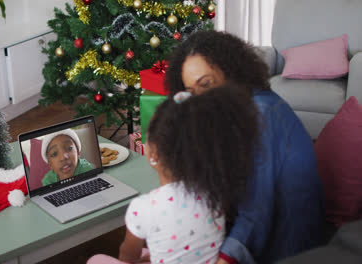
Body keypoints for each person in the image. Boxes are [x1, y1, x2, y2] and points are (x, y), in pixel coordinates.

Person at [165, 30, 325, 264]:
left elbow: (257, 212)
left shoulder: (260, 115)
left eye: (206, 84)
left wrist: (224, 259)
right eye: (192, 92)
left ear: (230, 72)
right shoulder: (237, 106)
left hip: (286, 242)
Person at [87, 84, 260, 264]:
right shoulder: (216, 194)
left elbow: (128, 256)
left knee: (96, 259)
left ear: (153, 153)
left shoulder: (143, 207)